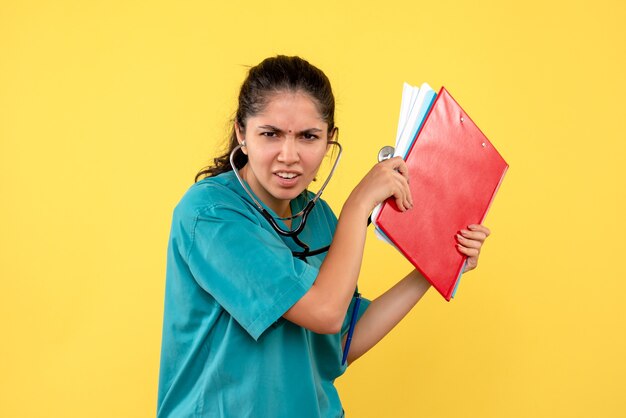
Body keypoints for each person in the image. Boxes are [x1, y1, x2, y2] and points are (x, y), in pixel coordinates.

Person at [157, 55, 491, 418]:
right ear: (242, 133)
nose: (289, 156)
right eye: (270, 134)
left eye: (308, 137)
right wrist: (359, 203)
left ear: (329, 139)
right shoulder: (209, 215)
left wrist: (436, 264)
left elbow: (345, 337)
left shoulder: (320, 218)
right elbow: (325, 312)